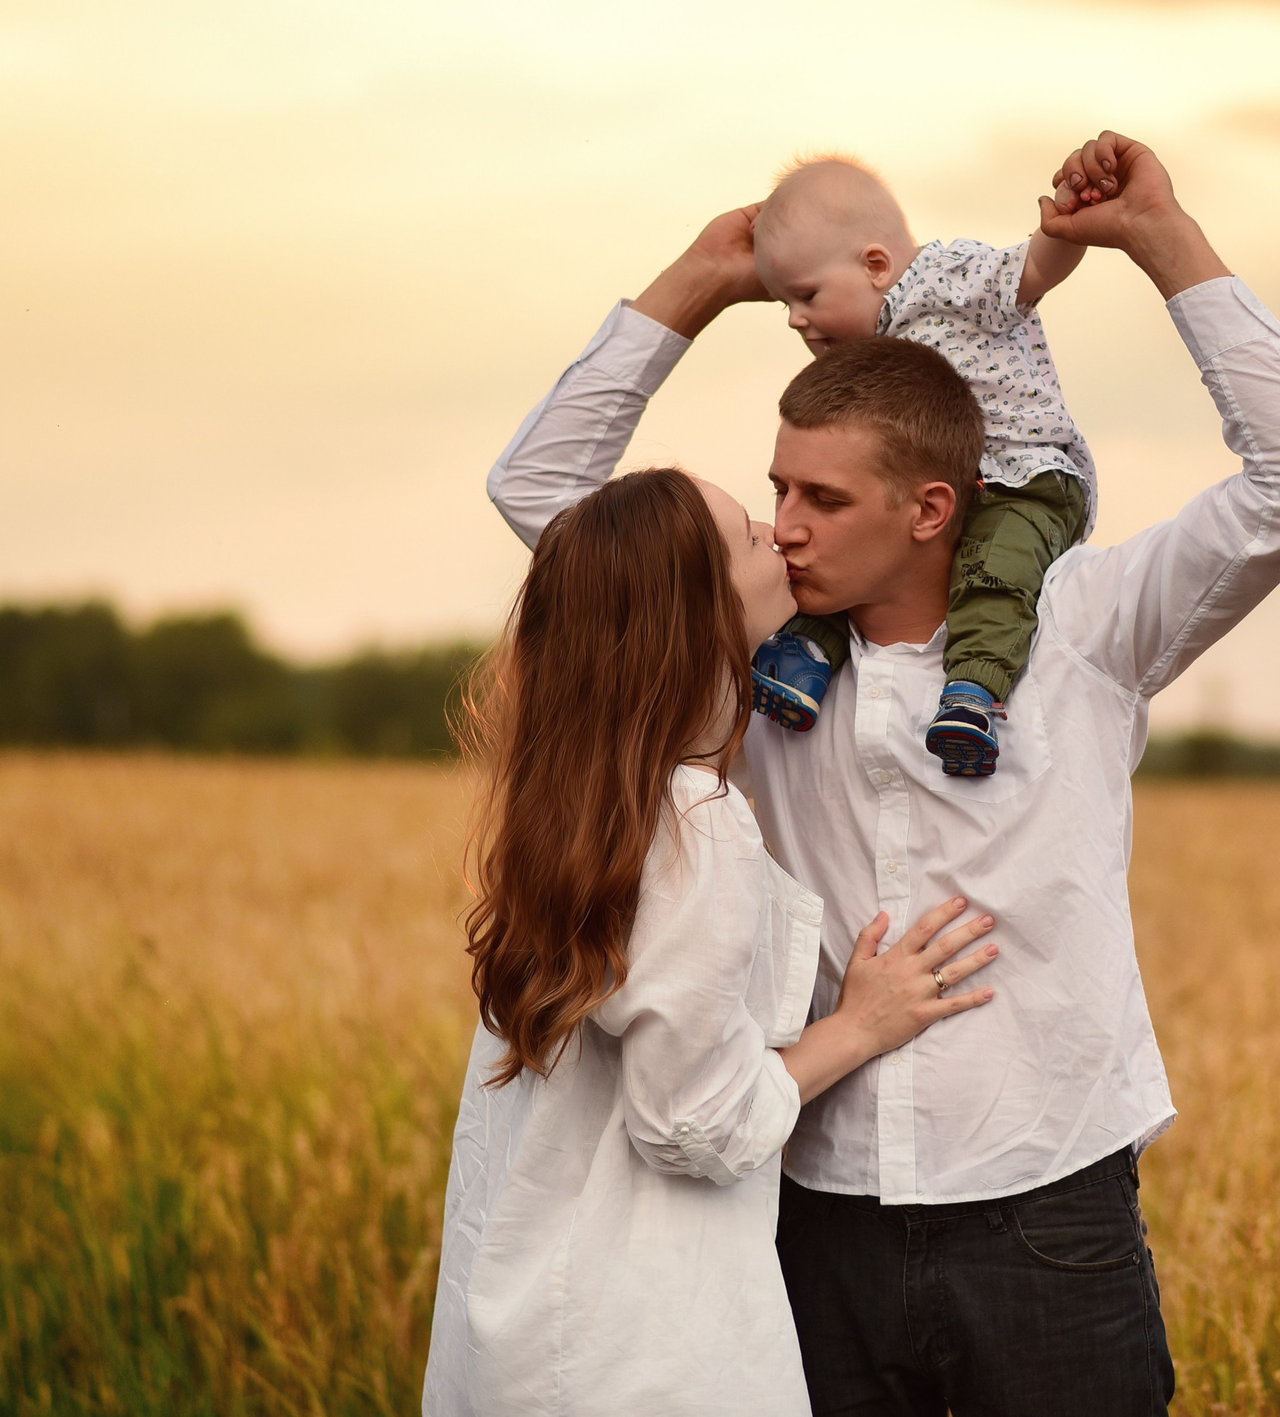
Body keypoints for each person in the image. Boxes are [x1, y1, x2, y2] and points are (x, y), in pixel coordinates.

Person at [486, 132, 1280, 1416]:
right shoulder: (756, 651)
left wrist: (1161, 239)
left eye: (824, 500)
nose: (783, 525)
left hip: (1048, 1210)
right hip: (807, 1212)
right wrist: (697, 283)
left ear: (932, 508)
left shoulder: (1087, 623)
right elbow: (543, 495)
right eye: (777, 489)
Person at [421, 466, 1001, 1417]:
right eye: (748, 536)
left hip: (528, 1336)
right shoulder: (696, 819)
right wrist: (858, 1026)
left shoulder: (572, 804)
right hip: (644, 1356)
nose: (781, 535)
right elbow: (691, 1121)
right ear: (696, 610)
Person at [745, 154, 1098, 779]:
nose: (796, 318)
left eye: (807, 295)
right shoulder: (872, 351)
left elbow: (1033, 269)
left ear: (876, 265)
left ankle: (973, 691)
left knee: (994, 574)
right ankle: (805, 657)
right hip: (958, 485)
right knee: (846, 558)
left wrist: (1068, 223)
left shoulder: (944, 276)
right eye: (784, 303)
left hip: (1024, 477)